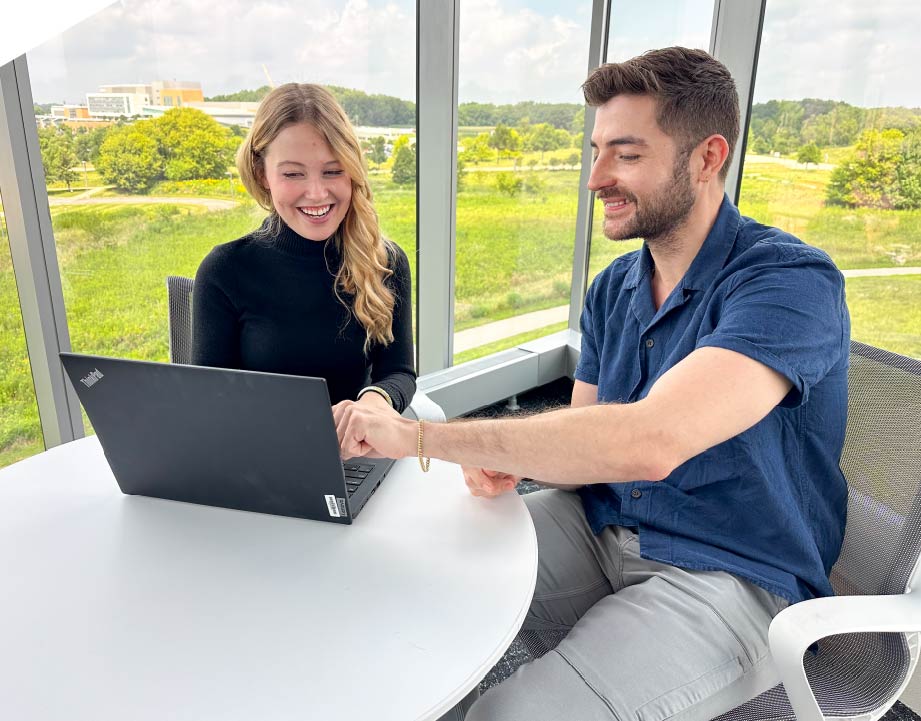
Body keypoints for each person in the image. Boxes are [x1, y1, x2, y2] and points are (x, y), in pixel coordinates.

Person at [334, 46, 850, 721]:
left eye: (626, 154)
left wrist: (421, 435)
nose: (595, 177)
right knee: (395, 588)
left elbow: (652, 438)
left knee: (509, 714)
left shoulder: (787, 282)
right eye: (596, 150)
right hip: (601, 524)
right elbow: (582, 448)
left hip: (729, 573)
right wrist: (511, 458)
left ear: (705, 157)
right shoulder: (614, 289)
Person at [192, 83, 415, 415]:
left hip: (357, 451)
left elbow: (398, 372)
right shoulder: (224, 270)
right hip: (260, 456)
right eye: (293, 173)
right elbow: (209, 397)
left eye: (333, 171)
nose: (316, 193)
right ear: (261, 173)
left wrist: (376, 403)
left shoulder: (386, 261)